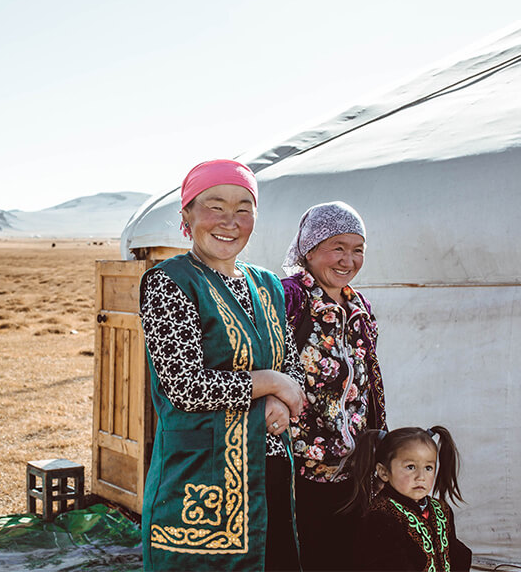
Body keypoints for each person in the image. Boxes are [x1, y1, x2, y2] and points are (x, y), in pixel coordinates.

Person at [139, 159, 307, 571]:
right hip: (201, 477)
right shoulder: (170, 282)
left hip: (267, 470)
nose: (229, 221)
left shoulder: (268, 285)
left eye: (243, 208)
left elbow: (294, 371)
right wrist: (268, 382)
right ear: (187, 216)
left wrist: (283, 401)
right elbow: (185, 385)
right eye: (215, 206)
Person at [280, 201, 387, 571]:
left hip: (355, 466)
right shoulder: (288, 298)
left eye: (358, 249)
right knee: (306, 558)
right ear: (309, 250)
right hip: (302, 468)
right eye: (337, 247)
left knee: (348, 557)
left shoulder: (359, 306)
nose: (348, 260)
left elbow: (369, 380)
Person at [345, 426, 472, 571]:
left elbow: (454, 555)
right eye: (410, 467)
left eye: (428, 468)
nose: (421, 477)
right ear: (384, 472)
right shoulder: (381, 516)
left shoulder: (441, 510)